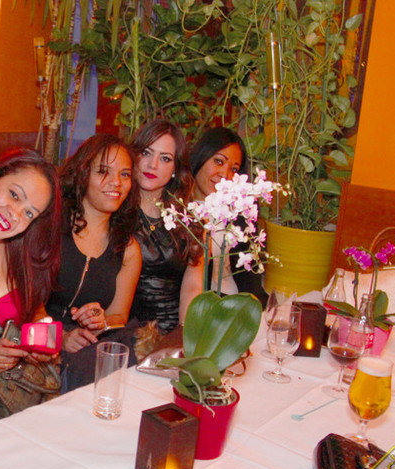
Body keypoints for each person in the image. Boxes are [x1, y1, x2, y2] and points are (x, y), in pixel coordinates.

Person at [0, 149, 61, 424]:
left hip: (6, 404)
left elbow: (36, 310)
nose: (14, 214)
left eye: (29, 213)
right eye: (14, 195)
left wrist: (43, 342)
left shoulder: (19, 256)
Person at [45, 134, 141, 390]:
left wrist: (101, 321)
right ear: (82, 173)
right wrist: (60, 337)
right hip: (39, 340)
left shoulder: (128, 248)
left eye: (125, 174)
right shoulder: (50, 229)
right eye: (103, 171)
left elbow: (119, 315)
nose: (116, 182)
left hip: (90, 349)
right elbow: (25, 304)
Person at [129, 120, 203, 334]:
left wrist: (183, 338)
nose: (152, 165)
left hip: (173, 330)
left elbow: (193, 288)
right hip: (122, 330)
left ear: (175, 169)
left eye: (165, 158)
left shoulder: (189, 220)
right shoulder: (114, 210)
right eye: (146, 153)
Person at [190, 127, 267, 301]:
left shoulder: (239, 213)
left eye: (234, 169)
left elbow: (251, 281)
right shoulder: (177, 212)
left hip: (239, 305)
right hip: (198, 307)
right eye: (218, 161)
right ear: (201, 156)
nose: (224, 175)